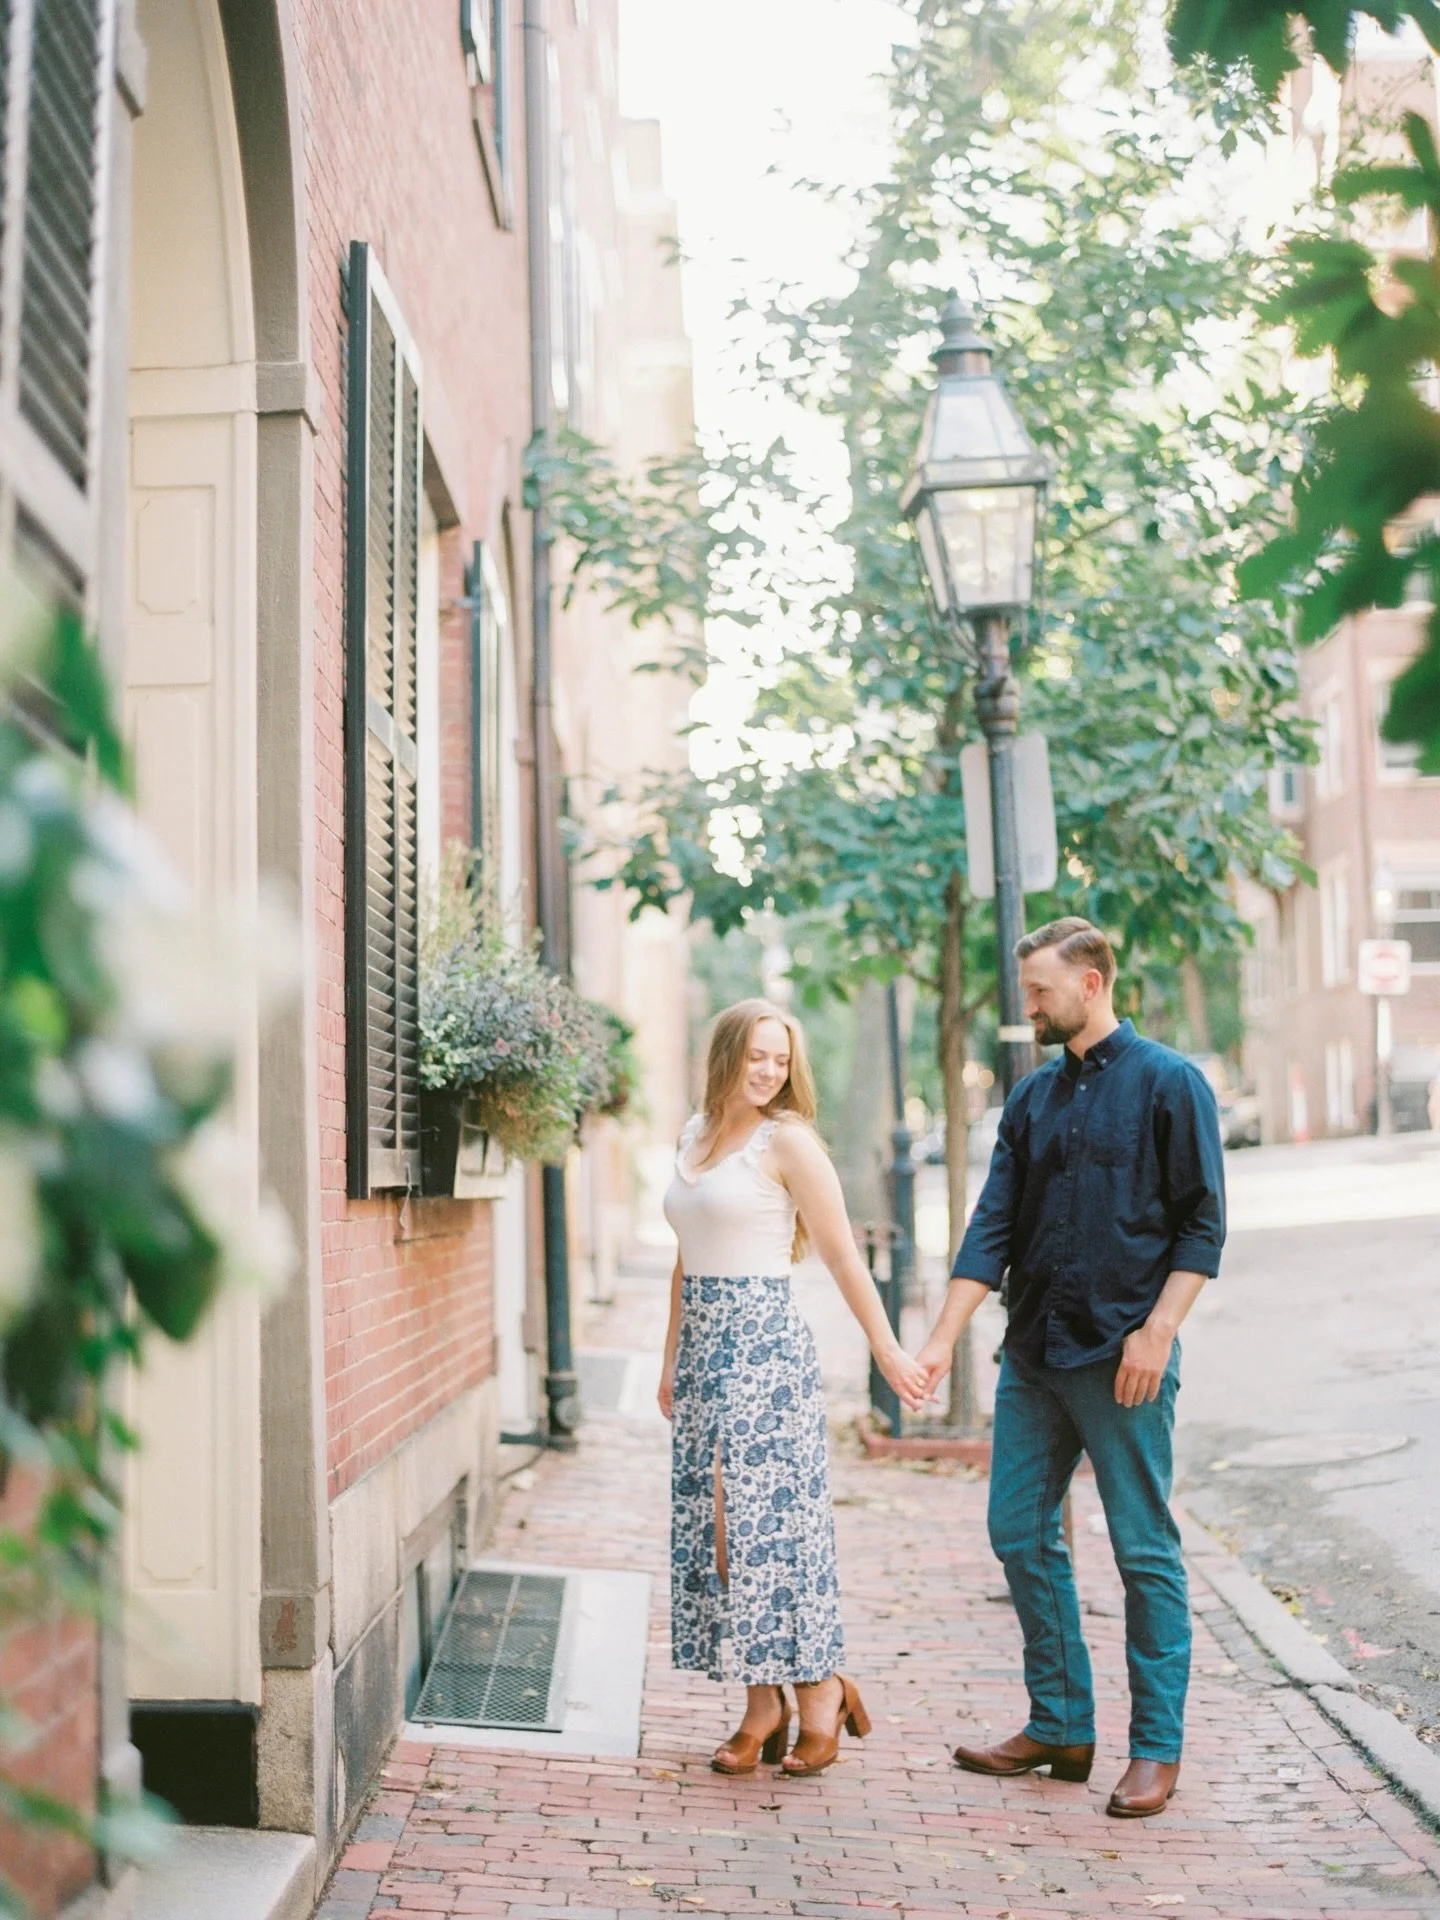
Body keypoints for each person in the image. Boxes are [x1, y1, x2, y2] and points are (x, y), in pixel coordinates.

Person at [916, 918, 1225, 1819]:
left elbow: (1203, 1226)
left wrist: (1159, 1331)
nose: (1030, 1006)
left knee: (1143, 1553)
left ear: (1091, 983)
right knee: (1017, 1530)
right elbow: (992, 1226)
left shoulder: (1172, 1084)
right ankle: (1060, 1722)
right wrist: (941, 1339)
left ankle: (1155, 1751)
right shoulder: (1032, 1099)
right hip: (1034, 1354)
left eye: (1041, 990)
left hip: (1122, 1357)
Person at [660, 997, 928, 1778]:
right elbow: (687, 1253)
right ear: (726, 1058)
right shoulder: (695, 1137)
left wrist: (886, 1348)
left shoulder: (790, 1143)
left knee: (770, 1531)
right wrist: (670, 1353)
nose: (771, 1071)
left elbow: (844, 1255)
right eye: (758, 1057)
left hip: (764, 1349)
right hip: (706, 1347)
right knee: (717, 1533)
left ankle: (813, 1694)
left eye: (781, 1059)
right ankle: (766, 1701)